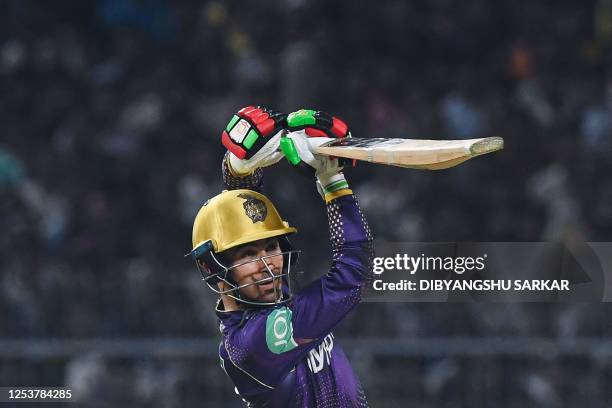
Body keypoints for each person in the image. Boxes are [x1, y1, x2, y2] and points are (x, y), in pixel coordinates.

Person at [189, 106, 374, 407]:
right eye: (249, 254)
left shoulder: (271, 297)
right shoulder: (252, 344)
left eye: (272, 248)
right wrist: (333, 182)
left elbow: (245, 214)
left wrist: (238, 167)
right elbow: (353, 277)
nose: (268, 265)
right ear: (213, 268)